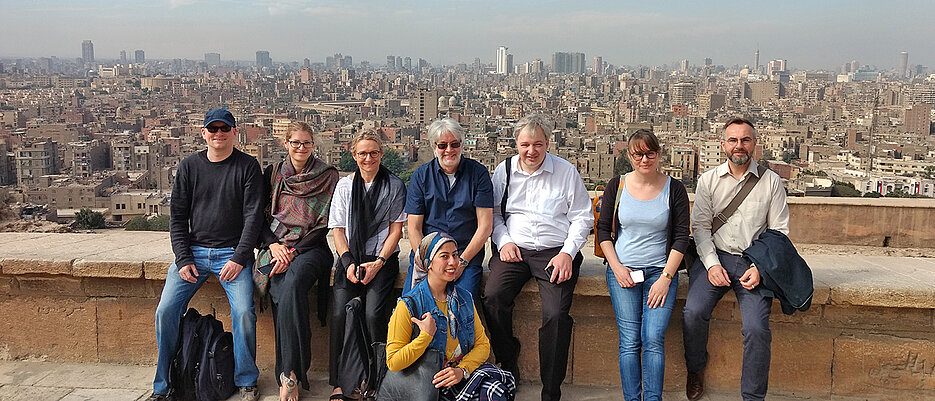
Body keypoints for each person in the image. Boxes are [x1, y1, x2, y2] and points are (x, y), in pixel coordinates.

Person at [150, 109, 263, 401]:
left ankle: (246, 380)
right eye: (212, 129)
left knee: (243, 313)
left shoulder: (248, 166)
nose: (218, 134)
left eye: (224, 129)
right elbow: (177, 217)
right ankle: (162, 386)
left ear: (234, 132)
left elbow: (253, 217)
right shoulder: (189, 167)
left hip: (232, 254)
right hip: (194, 253)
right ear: (203, 133)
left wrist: (239, 257)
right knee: (165, 312)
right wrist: (183, 258)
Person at [483, 113, 593, 401]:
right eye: (525, 145)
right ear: (516, 145)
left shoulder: (565, 172)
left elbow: (582, 217)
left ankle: (551, 387)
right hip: (514, 249)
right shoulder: (503, 171)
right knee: (493, 297)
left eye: (538, 145)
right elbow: (493, 214)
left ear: (548, 144)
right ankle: (508, 360)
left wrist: (568, 254)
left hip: (554, 251)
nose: (531, 151)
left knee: (556, 314)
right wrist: (504, 241)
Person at [682, 117, 790, 401]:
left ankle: (753, 397)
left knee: (756, 328)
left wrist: (759, 268)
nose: (739, 145)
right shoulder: (709, 180)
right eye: (733, 140)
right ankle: (695, 369)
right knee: (692, 313)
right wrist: (712, 263)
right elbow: (701, 228)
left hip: (752, 263)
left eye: (745, 140)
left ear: (755, 145)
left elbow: (779, 232)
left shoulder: (771, 182)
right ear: (723, 145)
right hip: (714, 258)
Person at [595, 130, 690, 401]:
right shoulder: (618, 185)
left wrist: (666, 278)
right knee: (629, 342)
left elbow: (682, 236)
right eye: (638, 154)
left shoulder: (674, 188)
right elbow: (603, 231)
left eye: (650, 153)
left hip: (660, 272)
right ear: (629, 156)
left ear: (659, 154)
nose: (644, 159)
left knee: (653, 338)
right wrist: (616, 267)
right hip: (623, 270)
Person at [256, 121, 338, 401]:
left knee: (289, 288)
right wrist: (275, 245)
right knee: (281, 290)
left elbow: (325, 224)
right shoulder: (274, 174)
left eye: (306, 143)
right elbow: (260, 217)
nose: (301, 148)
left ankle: (288, 373)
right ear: (286, 144)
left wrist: (293, 252)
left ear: (313, 145)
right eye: (296, 143)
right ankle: (291, 373)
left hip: (311, 248)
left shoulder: (327, 175)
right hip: (278, 245)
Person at [386, 232, 516, 401]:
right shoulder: (408, 306)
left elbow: (482, 344)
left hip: (460, 375)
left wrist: (462, 370)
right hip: (428, 385)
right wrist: (424, 337)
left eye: (455, 255)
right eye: (444, 256)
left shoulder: (464, 298)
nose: (453, 262)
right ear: (428, 263)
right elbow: (393, 362)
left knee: (496, 391)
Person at [328, 130, 406, 400]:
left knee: (374, 313)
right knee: (338, 314)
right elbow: (338, 229)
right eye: (363, 153)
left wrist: (378, 263)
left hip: (381, 260)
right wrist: (347, 261)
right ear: (354, 155)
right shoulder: (345, 186)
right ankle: (339, 380)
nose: (368, 158)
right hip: (350, 258)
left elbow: (396, 231)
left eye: (374, 152)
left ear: (381, 154)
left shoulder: (393, 185)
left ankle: (375, 377)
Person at [404, 118, 493, 295]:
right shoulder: (421, 176)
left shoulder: (478, 174)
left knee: (461, 307)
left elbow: (485, 226)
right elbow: (414, 228)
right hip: (428, 257)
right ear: (434, 147)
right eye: (442, 145)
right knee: (412, 305)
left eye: (454, 144)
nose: (449, 150)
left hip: (464, 256)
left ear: (462, 145)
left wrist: (461, 262)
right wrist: (427, 261)